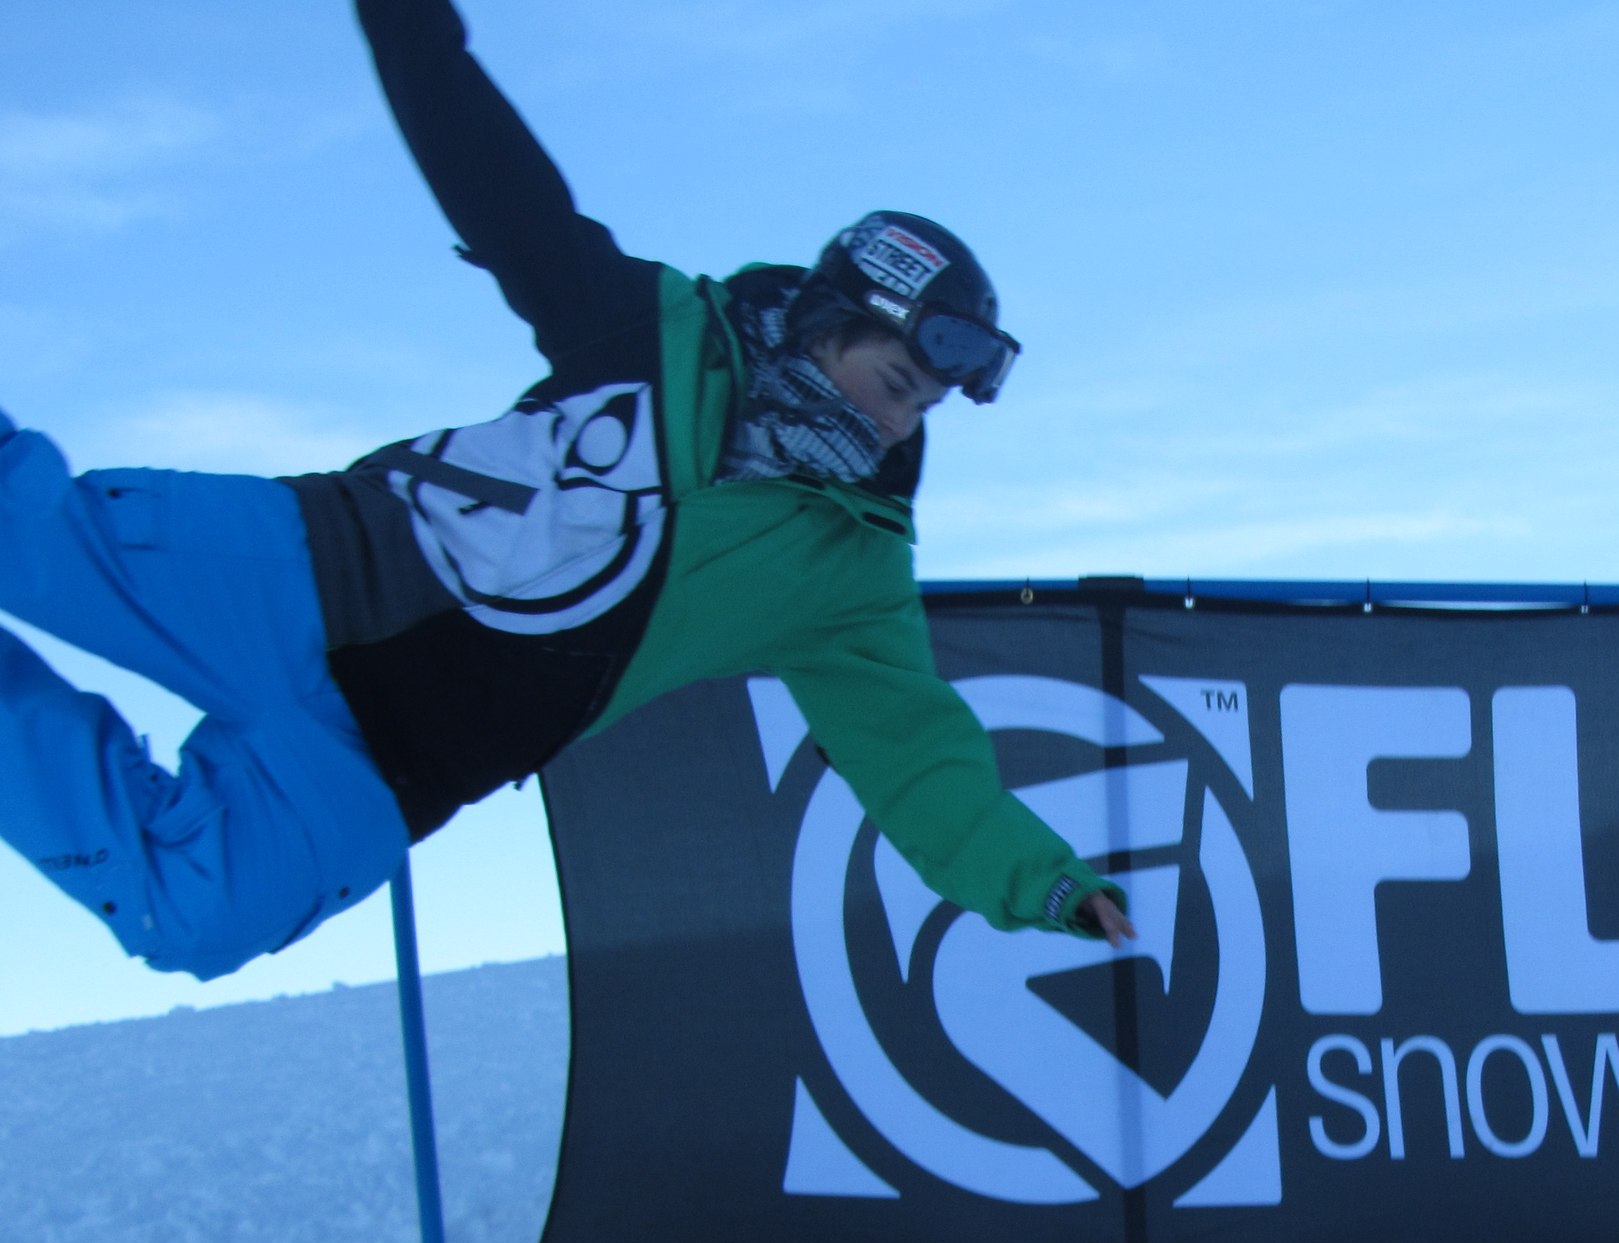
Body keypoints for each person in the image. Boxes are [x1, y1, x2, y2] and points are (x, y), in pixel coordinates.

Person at [0, 0, 1130, 984]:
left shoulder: (849, 569)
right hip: (306, 575)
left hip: (382, 769)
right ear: (832, 320)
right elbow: (494, 183)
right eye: (893, 385)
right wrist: (409, 24)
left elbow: (913, 756)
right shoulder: (654, 326)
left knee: (193, 917)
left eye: (923, 408)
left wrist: (1040, 881)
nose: (897, 424)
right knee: (24, 539)